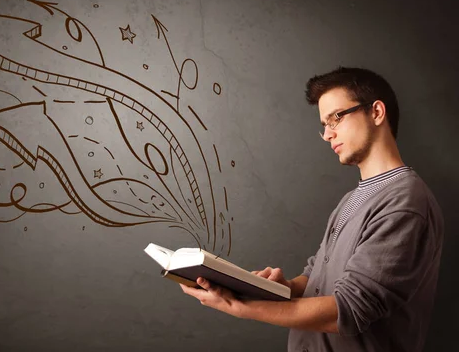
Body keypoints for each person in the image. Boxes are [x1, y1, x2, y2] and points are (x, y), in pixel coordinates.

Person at [180, 67, 444, 352]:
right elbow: (318, 277)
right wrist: (282, 288)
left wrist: (239, 305)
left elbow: (350, 309)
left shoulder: (404, 203)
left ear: (377, 112)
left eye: (337, 118)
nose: (328, 134)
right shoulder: (352, 198)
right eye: (324, 123)